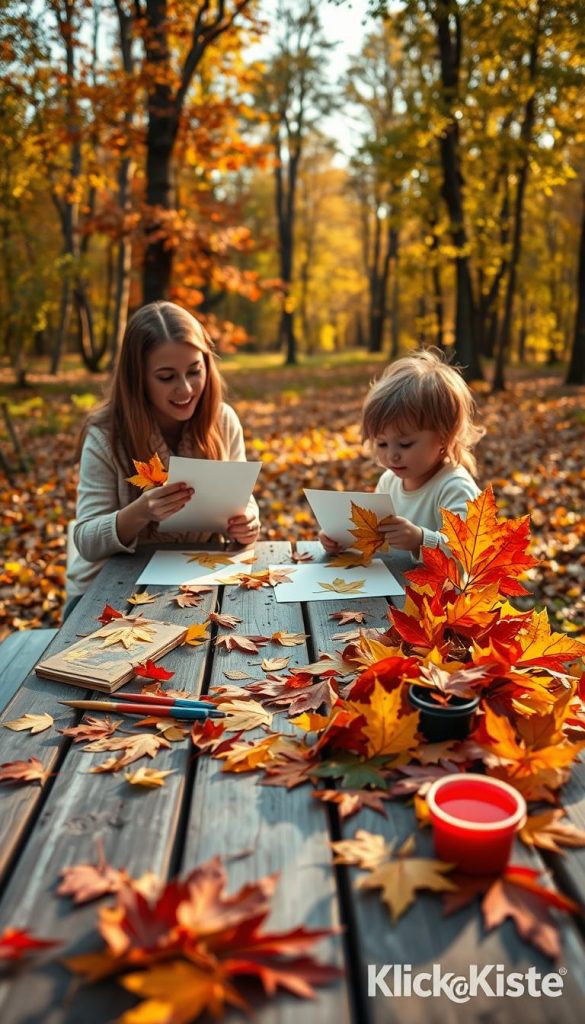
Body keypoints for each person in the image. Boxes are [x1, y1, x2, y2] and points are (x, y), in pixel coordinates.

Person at [66, 301, 260, 605]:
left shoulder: (222, 420)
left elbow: (241, 500)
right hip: (105, 594)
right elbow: (87, 541)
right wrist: (141, 511)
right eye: (166, 377)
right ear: (138, 378)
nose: (185, 390)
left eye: (195, 372)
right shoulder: (106, 434)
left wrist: (248, 520)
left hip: (197, 584)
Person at [319, 348, 485, 564]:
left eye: (405, 444)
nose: (391, 456)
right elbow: (377, 539)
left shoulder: (454, 487)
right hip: (395, 590)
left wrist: (421, 540)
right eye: (382, 443)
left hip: (443, 596)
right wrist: (342, 540)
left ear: (444, 436)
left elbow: (469, 555)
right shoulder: (389, 481)